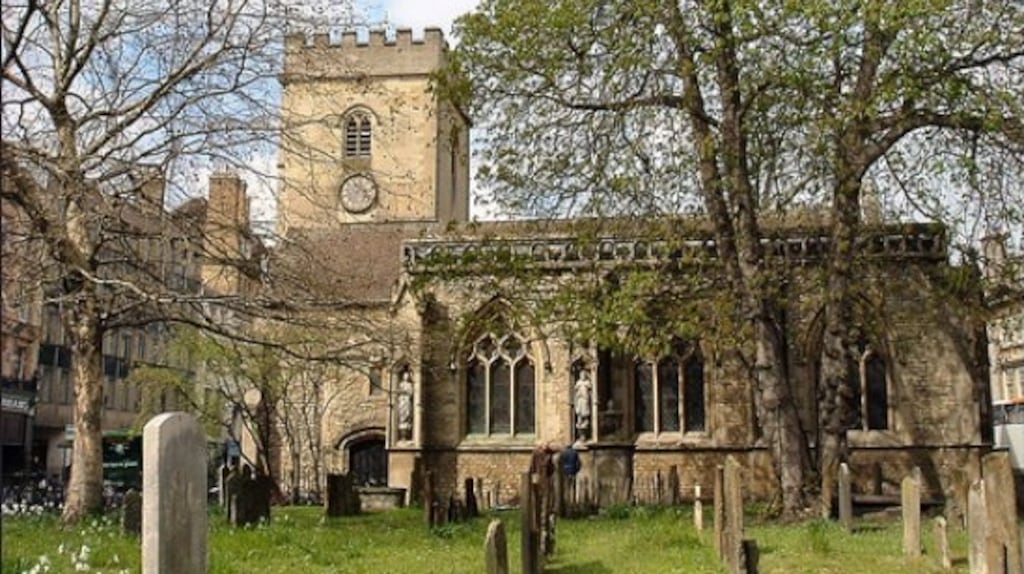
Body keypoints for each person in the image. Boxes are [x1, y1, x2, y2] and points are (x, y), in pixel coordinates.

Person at [397, 370, 414, 440]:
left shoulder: (410, 385)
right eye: (405, 376)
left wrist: (406, 392)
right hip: (402, 400)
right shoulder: (401, 384)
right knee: (402, 414)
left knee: (407, 414)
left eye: (407, 376)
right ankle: (402, 435)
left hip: (407, 400)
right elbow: (397, 391)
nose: (406, 377)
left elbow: (411, 393)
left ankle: (407, 434)